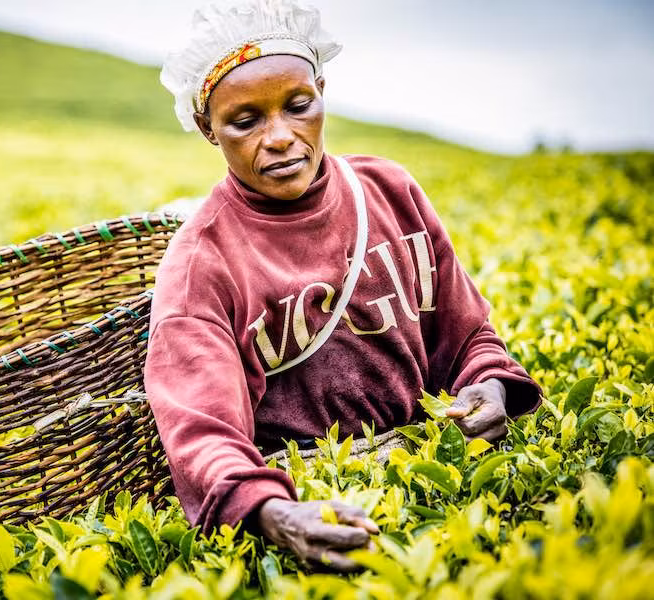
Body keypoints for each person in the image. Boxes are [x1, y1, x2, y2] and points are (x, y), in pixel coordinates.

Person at [145, 0, 542, 572]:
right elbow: (201, 428)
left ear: (322, 92)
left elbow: (466, 333)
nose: (280, 137)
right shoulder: (200, 264)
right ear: (209, 129)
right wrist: (271, 512)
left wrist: (490, 386)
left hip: (437, 481)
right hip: (316, 505)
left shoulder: (390, 191)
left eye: (298, 106)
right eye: (245, 120)